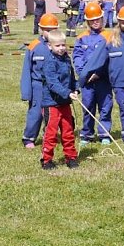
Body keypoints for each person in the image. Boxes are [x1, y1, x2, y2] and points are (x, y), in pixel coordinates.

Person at [79, 5, 124, 146]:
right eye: (123, 22)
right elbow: (98, 59)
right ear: (118, 21)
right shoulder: (111, 37)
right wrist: (84, 77)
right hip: (119, 82)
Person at [72, 2, 113, 145]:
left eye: (98, 19)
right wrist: (83, 73)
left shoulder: (109, 36)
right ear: (88, 21)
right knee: (88, 107)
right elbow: (77, 57)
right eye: (92, 20)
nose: (96, 22)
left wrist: (99, 73)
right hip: (87, 82)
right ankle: (87, 134)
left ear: (102, 19)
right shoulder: (81, 37)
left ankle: (104, 134)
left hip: (103, 79)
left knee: (105, 107)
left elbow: (109, 58)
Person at [39, 30, 80, 170]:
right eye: (57, 46)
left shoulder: (67, 59)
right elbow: (52, 83)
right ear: (50, 46)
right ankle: (46, 159)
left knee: (68, 131)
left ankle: (71, 157)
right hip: (52, 104)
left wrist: (75, 88)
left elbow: (71, 78)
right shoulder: (49, 62)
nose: (61, 48)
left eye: (63, 45)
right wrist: (67, 93)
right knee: (51, 133)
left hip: (65, 103)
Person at [20, 13, 60, 147]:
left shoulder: (58, 46)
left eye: (53, 30)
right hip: (38, 86)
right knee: (36, 113)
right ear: (41, 29)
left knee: (53, 114)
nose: (49, 33)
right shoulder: (34, 46)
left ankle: (49, 136)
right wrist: (26, 92)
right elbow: (27, 70)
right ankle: (29, 137)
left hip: (53, 86)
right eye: (47, 30)